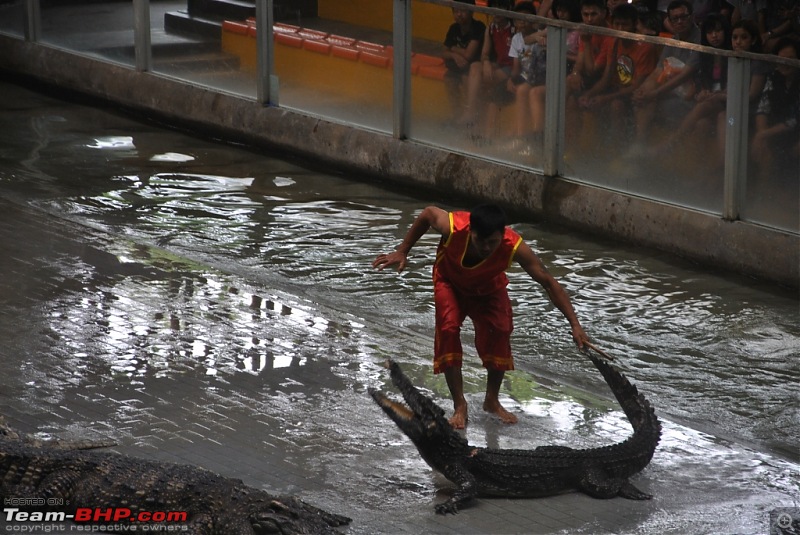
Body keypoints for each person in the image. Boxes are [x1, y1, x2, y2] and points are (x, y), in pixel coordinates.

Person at [372, 204, 589, 429]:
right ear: (471, 232)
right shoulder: (454, 226)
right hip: (450, 281)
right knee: (448, 328)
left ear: (503, 235)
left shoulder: (514, 246)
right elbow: (428, 213)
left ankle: (492, 400)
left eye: (492, 243)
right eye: (480, 241)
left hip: (488, 287)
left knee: (501, 329)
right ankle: (460, 405)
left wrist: (575, 325)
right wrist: (403, 250)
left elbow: (548, 281)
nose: (486, 248)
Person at [577, 4, 660, 145]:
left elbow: (637, 86)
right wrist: (589, 94)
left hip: (636, 95)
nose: (621, 30)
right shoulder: (612, 41)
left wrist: (606, 98)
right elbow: (606, 78)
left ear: (635, 24)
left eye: (625, 25)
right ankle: (587, 146)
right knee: (584, 100)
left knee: (616, 105)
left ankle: (617, 148)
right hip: (616, 89)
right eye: (617, 24)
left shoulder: (646, 47)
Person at [628, 0, 702, 154]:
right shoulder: (674, 41)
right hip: (669, 92)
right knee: (642, 95)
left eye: (683, 17)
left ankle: (644, 148)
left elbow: (685, 75)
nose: (680, 21)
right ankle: (639, 145)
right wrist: (643, 91)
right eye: (675, 18)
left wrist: (653, 94)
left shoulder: (700, 41)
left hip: (691, 97)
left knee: (648, 100)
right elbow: (657, 71)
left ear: (692, 16)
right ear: (669, 21)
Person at [458, 0, 515, 134]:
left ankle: (479, 125)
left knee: (478, 83)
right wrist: (487, 63)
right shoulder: (490, 28)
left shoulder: (513, 28)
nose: (496, 11)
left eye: (500, 6)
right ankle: (470, 112)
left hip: (512, 68)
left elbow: (517, 59)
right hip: (499, 64)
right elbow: (484, 54)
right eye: (493, 7)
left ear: (508, 9)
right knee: (475, 67)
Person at [751, 38, 799, 182]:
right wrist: (761, 135)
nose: (784, 63)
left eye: (790, 59)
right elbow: (763, 108)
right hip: (776, 129)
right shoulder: (773, 77)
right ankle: (764, 194)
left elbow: (795, 119)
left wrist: (763, 135)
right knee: (764, 152)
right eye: (781, 59)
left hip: (795, 131)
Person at [506, 1, 549, 148]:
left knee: (530, 91)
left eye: (526, 18)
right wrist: (511, 79)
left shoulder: (543, 35)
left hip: (543, 79)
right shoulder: (516, 39)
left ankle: (537, 138)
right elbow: (516, 68)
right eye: (519, 18)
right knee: (522, 90)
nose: (522, 22)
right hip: (527, 79)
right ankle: (521, 137)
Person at [443, 1, 487, 121]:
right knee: (449, 79)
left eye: (462, 11)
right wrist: (454, 55)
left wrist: (453, 48)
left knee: (466, 79)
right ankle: (457, 114)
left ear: (471, 11)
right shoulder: (453, 28)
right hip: (459, 67)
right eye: (456, 11)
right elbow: (444, 53)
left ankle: (473, 116)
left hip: (476, 67)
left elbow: (469, 54)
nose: (459, 14)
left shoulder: (478, 27)